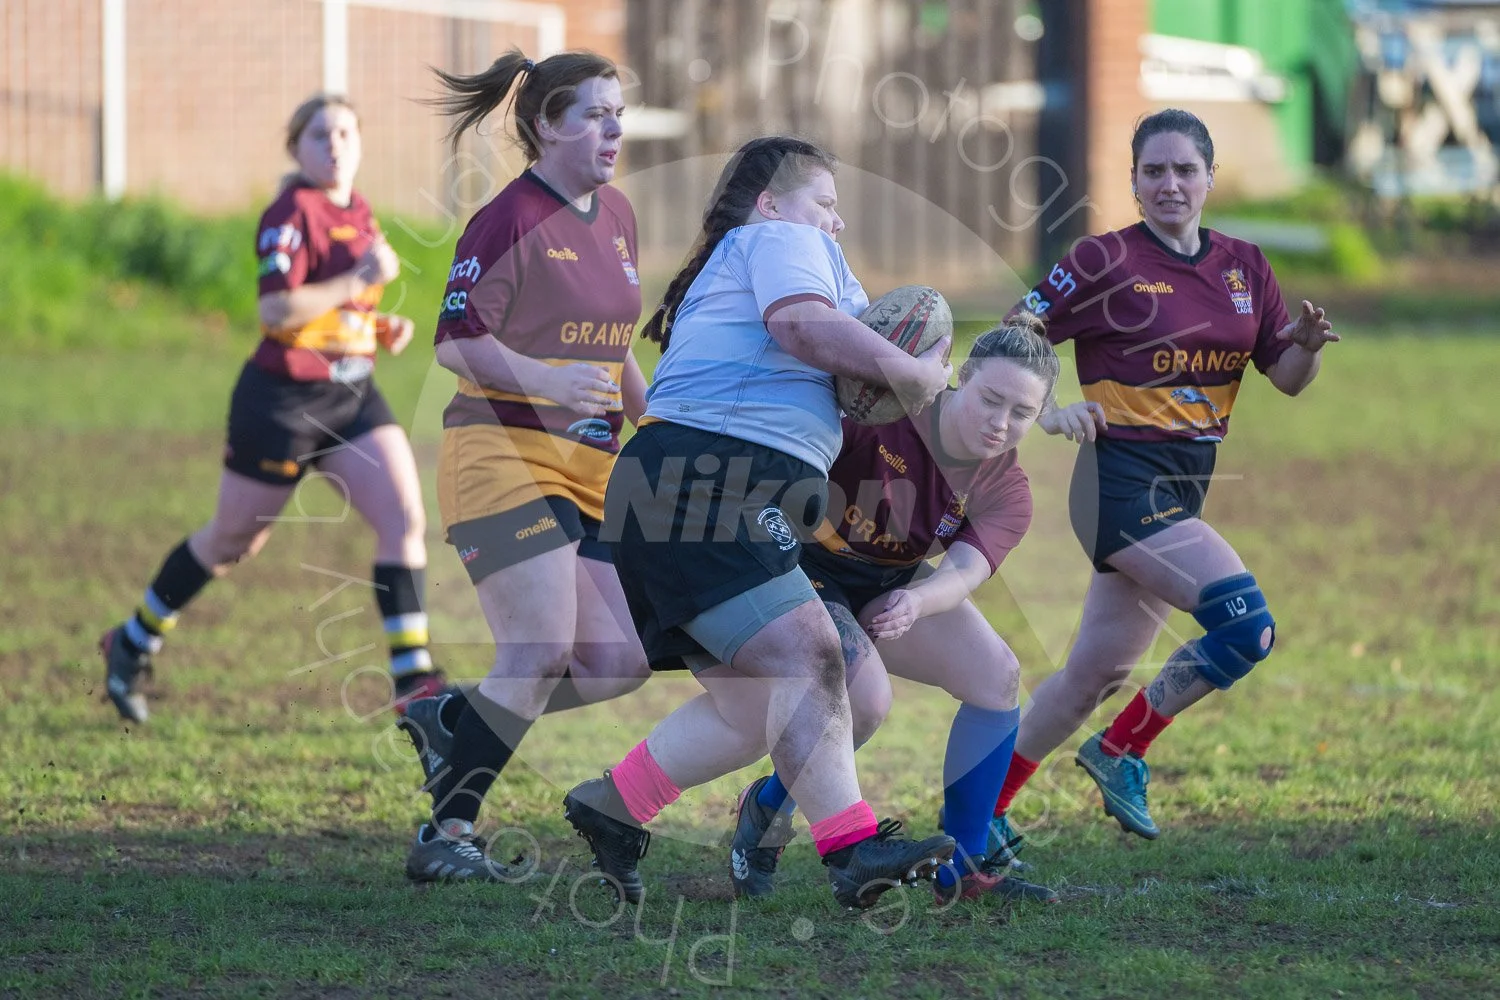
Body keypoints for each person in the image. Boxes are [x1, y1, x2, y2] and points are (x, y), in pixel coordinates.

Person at [559, 135, 958, 912]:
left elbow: (830, 356)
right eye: (825, 202)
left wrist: (905, 373)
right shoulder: (778, 239)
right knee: (811, 651)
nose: (837, 221)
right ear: (773, 202)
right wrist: (912, 371)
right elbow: (801, 328)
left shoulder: (779, 256)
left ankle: (614, 805)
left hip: (697, 482)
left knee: (753, 709)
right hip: (707, 480)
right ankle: (853, 851)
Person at [988, 108, 1339, 845]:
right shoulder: (1103, 261)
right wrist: (1048, 409)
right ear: (1134, 181)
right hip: (1118, 483)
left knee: (1092, 677)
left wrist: (1306, 346)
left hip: (1181, 489)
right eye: (1154, 171)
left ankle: (978, 816)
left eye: (1185, 169)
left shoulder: (1245, 265)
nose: (1170, 184)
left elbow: (1286, 378)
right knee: (1246, 626)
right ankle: (1121, 749)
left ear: (1210, 177)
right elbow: (1011, 335)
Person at [98, 94, 445, 725]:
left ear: (361, 143)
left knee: (404, 516)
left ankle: (415, 682)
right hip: (282, 403)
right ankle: (133, 637)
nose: (334, 145)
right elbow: (277, 310)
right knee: (232, 542)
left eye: (345, 133)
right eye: (320, 135)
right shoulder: (290, 213)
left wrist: (376, 327)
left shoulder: (359, 209)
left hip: (351, 396)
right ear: (296, 149)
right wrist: (357, 279)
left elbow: (335, 311)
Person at [726, 315, 1086, 906]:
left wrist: (916, 601)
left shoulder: (1007, 489)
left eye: (1021, 413)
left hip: (889, 579)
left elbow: (964, 572)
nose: (1000, 423)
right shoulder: (885, 409)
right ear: (961, 377)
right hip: (801, 566)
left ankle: (963, 869)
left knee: (997, 676)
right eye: (990, 400)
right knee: (865, 702)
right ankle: (766, 810)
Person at [400, 49, 654, 884]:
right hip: (502, 455)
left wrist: (657, 429)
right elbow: (456, 342)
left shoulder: (617, 215)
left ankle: (456, 717)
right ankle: (448, 831)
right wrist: (545, 381)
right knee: (540, 649)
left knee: (616, 664)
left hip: (590, 466)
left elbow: (616, 346)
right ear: (546, 125)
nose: (613, 130)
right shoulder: (507, 219)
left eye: (618, 114)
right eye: (594, 114)